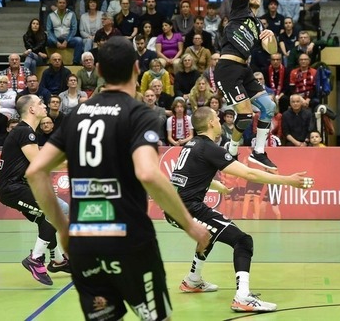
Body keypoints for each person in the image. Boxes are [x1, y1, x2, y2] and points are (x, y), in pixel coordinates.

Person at [25, 36, 210, 318]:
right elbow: (148, 173)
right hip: (130, 242)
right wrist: (189, 224)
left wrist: (63, 228)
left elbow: (35, 171)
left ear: (98, 70)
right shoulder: (140, 114)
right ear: (137, 68)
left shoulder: (77, 115)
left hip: (85, 243)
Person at [165, 106, 313, 312]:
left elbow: (187, 177)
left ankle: (192, 280)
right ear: (210, 123)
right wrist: (287, 180)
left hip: (175, 208)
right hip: (188, 210)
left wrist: (218, 186)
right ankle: (243, 297)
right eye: (217, 118)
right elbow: (249, 174)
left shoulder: (191, 145)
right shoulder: (210, 148)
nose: (219, 121)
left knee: (209, 234)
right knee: (243, 241)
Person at [214, 0, 280, 170]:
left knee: (269, 107)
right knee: (244, 115)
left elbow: (272, 51)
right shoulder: (239, 9)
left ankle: (258, 152)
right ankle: (231, 150)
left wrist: (271, 39)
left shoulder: (259, 24)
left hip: (244, 69)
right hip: (227, 68)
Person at [0, 95, 70, 286]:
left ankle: (58, 260)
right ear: (31, 109)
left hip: (17, 187)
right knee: (57, 210)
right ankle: (35, 259)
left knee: (47, 218)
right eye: (40, 103)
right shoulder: (25, 132)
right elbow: (40, 163)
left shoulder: (27, 132)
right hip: (13, 189)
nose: (44, 106)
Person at [46, 0, 83, 65]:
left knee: (79, 41)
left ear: (66, 4)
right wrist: (56, 42)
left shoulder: (72, 14)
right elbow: (49, 30)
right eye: (60, 3)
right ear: (57, 4)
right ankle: (48, 61)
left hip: (68, 40)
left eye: (63, 3)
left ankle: (76, 62)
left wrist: (66, 41)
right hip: (55, 40)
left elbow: (74, 29)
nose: (62, 4)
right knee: (46, 40)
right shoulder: (50, 15)